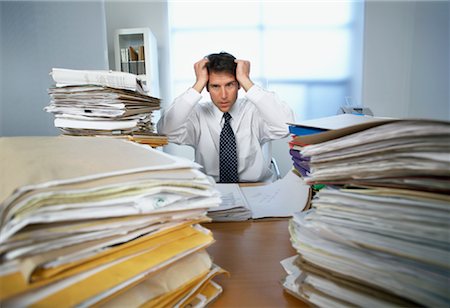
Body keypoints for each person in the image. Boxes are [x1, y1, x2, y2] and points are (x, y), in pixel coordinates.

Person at [157, 52, 294, 182]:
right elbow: (166, 131)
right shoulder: (197, 114)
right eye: (215, 86)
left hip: (256, 188)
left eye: (230, 85)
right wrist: (198, 83)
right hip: (212, 190)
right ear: (207, 87)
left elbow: (285, 127)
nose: (223, 95)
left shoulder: (254, 110)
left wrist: (247, 81)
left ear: (239, 84)